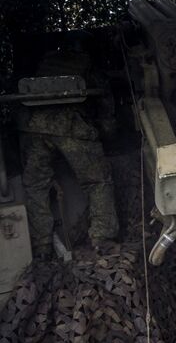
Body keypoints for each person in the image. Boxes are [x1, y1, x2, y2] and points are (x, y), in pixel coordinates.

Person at [19, 31, 119, 258]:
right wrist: (108, 131)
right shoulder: (87, 63)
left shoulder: (43, 64)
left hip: (34, 129)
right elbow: (105, 98)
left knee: (35, 186)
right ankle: (102, 240)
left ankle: (42, 247)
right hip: (71, 128)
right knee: (97, 181)